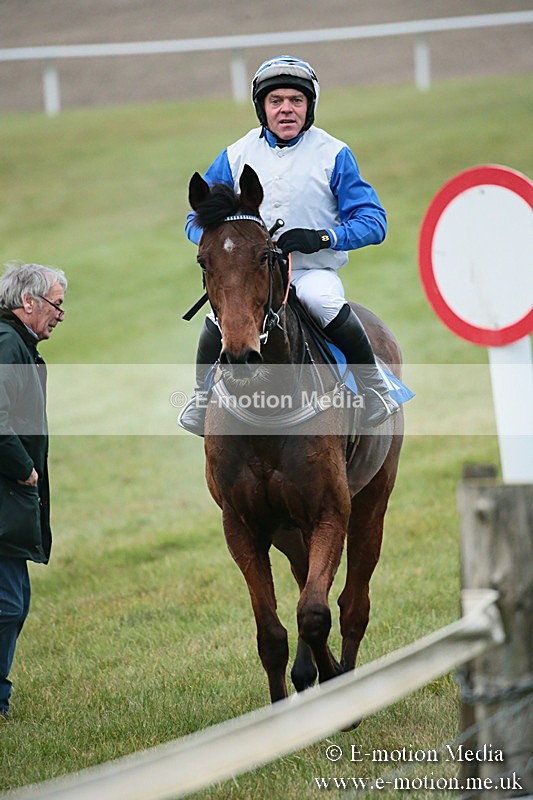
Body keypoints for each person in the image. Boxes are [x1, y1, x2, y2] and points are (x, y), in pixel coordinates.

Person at [180, 54, 399, 436]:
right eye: (276, 101)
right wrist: (228, 248)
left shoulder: (334, 154)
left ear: (309, 106)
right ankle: (201, 398)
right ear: (262, 107)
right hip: (253, 274)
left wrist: (323, 238)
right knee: (218, 318)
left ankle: (374, 388)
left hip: (312, 271)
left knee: (324, 303)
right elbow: (194, 221)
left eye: (296, 101)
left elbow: (374, 222)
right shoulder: (235, 155)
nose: (286, 110)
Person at [0, 262, 67, 719]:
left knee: (14, 602)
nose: (61, 314)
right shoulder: (8, 345)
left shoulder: (18, 345)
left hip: (13, 499)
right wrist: (24, 469)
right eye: (56, 304)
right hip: (8, 493)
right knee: (7, 605)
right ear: (29, 302)